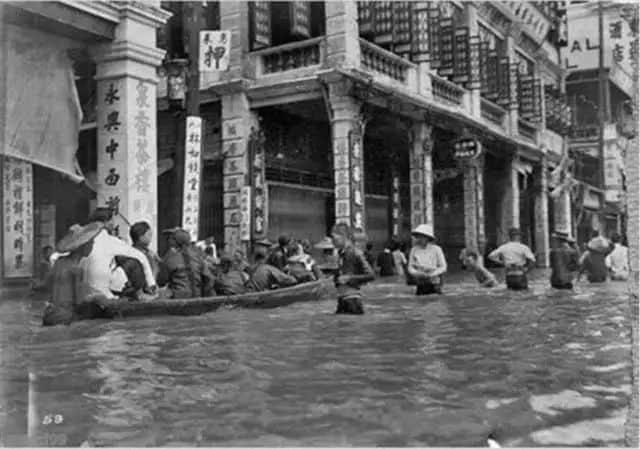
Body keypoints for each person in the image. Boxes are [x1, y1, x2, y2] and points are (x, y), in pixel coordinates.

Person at [81, 210, 157, 299]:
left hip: (86, 286)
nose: (113, 223)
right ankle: (139, 295)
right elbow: (141, 257)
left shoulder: (82, 240)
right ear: (106, 223)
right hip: (105, 288)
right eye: (112, 220)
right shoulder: (111, 241)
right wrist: (151, 283)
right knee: (134, 262)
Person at [42, 223, 105, 326]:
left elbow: (47, 285)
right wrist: (98, 297)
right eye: (91, 243)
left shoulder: (59, 262)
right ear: (83, 246)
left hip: (49, 313)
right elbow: (80, 300)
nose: (92, 246)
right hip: (65, 316)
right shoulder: (76, 269)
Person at [331, 223, 375, 314]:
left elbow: (371, 275)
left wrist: (349, 278)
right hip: (342, 299)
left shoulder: (356, 252)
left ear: (344, 237)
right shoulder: (340, 253)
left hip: (352, 300)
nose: (332, 242)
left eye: (334, 238)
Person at [162, 229, 214, 298]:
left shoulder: (171, 257)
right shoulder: (197, 256)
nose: (168, 241)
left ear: (175, 242)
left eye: (170, 238)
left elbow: (161, 281)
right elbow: (209, 278)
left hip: (178, 300)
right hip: (197, 299)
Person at [407, 224, 448, 295]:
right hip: (420, 282)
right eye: (418, 236)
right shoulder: (414, 250)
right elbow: (410, 267)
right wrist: (417, 273)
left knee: (435, 302)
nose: (419, 239)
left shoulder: (437, 249)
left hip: (435, 283)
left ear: (428, 238)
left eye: (422, 236)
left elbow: (443, 267)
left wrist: (432, 274)